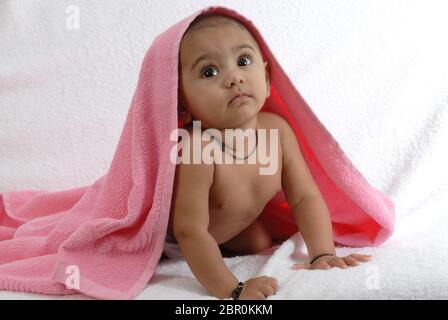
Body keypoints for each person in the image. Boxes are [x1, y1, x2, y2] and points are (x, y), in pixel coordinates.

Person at [164, 14, 371, 300]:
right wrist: (233, 290)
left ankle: (226, 244)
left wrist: (322, 253)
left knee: (259, 240)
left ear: (267, 77)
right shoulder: (197, 148)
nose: (234, 77)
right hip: (174, 239)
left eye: (243, 62)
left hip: (229, 230)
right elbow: (189, 230)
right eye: (209, 72)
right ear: (181, 104)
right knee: (160, 252)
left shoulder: (278, 131)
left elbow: (304, 197)